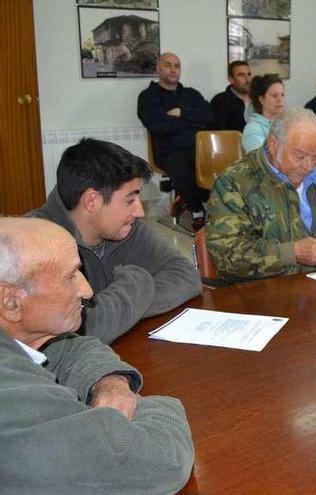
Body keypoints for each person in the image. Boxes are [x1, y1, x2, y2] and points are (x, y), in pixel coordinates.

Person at [0, 217, 194, 493]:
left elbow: (69, 347)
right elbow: (162, 463)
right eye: (70, 276)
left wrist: (112, 384)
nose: (87, 291)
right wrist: (157, 406)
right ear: (11, 303)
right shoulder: (11, 397)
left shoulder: (23, 335)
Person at [28, 138, 201, 344]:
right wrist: (138, 280)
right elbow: (81, 329)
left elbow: (187, 277)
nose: (140, 212)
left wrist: (118, 314)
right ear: (92, 201)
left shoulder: (126, 228)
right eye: (130, 200)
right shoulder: (33, 248)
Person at [206, 108, 316, 282]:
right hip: (269, 293)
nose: (308, 166)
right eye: (300, 156)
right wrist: (292, 253)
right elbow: (227, 255)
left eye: (315, 157)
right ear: (273, 144)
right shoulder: (235, 183)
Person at [137, 52, 214, 228]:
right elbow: (160, 127)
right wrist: (194, 123)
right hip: (169, 151)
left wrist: (182, 114)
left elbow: (210, 115)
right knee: (182, 165)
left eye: (177, 66)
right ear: (158, 68)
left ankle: (188, 198)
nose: (173, 70)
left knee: (222, 165)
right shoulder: (148, 97)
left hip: (200, 149)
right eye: (168, 65)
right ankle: (197, 209)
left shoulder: (191, 94)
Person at [241, 74, 286, 153]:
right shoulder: (253, 129)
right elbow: (261, 160)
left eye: (282, 95)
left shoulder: (287, 124)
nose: (280, 99)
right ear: (262, 99)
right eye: (274, 96)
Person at [211, 60, 252, 132]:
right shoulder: (221, 101)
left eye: (249, 74)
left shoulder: (260, 99)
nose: (248, 79)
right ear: (231, 79)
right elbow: (220, 132)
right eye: (241, 75)